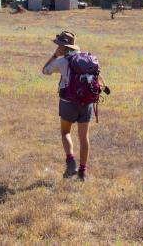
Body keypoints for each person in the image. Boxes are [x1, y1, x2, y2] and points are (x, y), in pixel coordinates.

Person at [42, 30, 93, 181]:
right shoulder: (86, 59)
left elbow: (45, 71)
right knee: (84, 138)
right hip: (87, 102)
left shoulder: (61, 61)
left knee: (65, 132)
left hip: (68, 103)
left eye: (59, 45)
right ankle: (82, 173)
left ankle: (71, 162)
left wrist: (54, 55)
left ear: (63, 47)